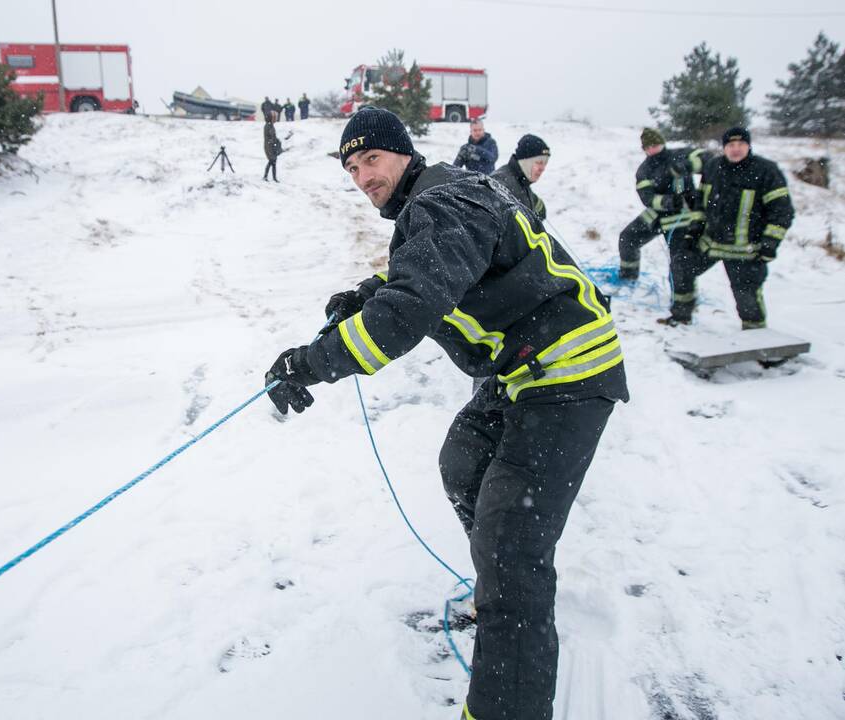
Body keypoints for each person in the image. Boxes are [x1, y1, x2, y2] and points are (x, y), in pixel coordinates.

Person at [263, 106, 628, 720]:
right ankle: (501, 585)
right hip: (523, 368)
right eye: (351, 167)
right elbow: (440, 270)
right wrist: (368, 293)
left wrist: (308, 363)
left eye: (371, 159)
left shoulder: (440, 203)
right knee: (463, 464)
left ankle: (506, 688)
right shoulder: (444, 195)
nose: (362, 176)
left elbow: (408, 314)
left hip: (567, 374)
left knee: (512, 552)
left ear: (403, 153)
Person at [663, 127, 795, 329]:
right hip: (711, 243)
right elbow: (701, 203)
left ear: (748, 146)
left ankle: (757, 338)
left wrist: (770, 242)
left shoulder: (766, 171)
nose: (736, 149)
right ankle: (681, 315)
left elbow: (782, 211)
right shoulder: (714, 167)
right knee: (681, 266)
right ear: (724, 147)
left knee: (746, 296)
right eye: (731, 145)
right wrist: (694, 231)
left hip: (745, 250)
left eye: (741, 144)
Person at [617, 128, 708, 281]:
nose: (652, 149)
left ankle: (681, 295)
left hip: (684, 216)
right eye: (648, 147)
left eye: (655, 145)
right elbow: (647, 198)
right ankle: (628, 277)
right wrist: (669, 202)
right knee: (627, 238)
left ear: (662, 143)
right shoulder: (644, 170)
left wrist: (688, 165)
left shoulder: (680, 154)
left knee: (679, 260)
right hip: (657, 214)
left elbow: (708, 159)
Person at [491, 133, 549, 219]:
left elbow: (541, 212)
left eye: (545, 163)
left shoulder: (522, 181)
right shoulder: (500, 184)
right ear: (524, 162)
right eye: (539, 162)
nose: (543, 168)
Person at [263, 112, 283, 182]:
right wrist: (274, 141)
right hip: (269, 146)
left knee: (273, 162)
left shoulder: (270, 125)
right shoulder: (268, 126)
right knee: (272, 161)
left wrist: (277, 141)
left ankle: (273, 177)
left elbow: (273, 137)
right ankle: (266, 177)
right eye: (274, 117)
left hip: (271, 146)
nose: (275, 119)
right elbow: (270, 136)